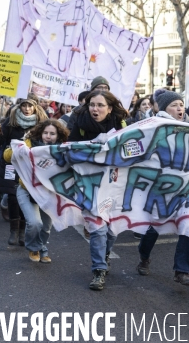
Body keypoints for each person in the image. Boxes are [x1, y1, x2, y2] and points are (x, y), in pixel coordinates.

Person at [135, 90, 189, 286]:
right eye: (174, 105)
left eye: (181, 104)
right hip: (160, 190)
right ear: (163, 109)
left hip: (188, 187)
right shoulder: (152, 127)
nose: (180, 108)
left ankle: (182, 270)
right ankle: (144, 256)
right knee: (153, 228)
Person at [68, 91, 127, 290]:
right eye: (92, 104)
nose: (95, 109)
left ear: (109, 108)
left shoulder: (121, 125)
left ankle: (105, 255)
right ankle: (98, 271)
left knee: (111, 230)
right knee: (98, 229)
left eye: (100, 105)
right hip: (89, 185)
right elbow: (70, 150)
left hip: (115, 184)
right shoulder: (80, 124)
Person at [10, 119, 68, 263]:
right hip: (26, 190)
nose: (48, 136)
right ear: (40, 133)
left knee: (46, 227)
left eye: (52, 134)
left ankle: (42, 247)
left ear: (58, 135)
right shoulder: (29, 143)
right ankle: (34, 248)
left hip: (48, 194)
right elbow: (7, 155)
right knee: (35, 223)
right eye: (45, 133)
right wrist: (20, 147)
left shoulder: (63, 149)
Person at [0, 99, 48, 245]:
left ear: (35, 107)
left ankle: (23, 230)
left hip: (30, 166)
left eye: (30, 105)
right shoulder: (11, 121)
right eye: (24, 105)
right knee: (12, 196)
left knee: (27, 195)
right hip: (11, 163)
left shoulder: (41, 123)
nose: (27, 108)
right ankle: (14, 230)